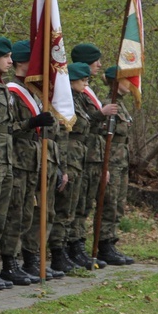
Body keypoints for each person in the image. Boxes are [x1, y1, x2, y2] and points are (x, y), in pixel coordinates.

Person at [0, 36, 54, 291]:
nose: (10, 61)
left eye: (10, 56)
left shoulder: (3, 87)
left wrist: (31, 124)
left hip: (7, 159)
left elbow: (7, 128)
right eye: (5, 57)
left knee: (1, 216)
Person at [3, 40, 57, 283]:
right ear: (23, 63)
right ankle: (9, 262)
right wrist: (31, 124)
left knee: (29, 213)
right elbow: (4, 129)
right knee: (16, 213)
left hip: (33, 161)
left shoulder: (33, 93)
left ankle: (29, 259)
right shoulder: (11, 91)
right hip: (17, 160)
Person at [69, 43, 116, 269]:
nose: (99, 65)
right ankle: (71, 247)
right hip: (81, 156)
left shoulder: (86, 89)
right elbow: (81, 122)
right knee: (76, 205)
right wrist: (100, 114)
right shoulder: (74, 92)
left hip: (91, 155)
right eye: (96, 60)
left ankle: (78, 245)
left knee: (85, 204)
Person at [55, 63, 93, 269]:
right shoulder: (65, 102)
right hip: (69, 157)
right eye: (82, 80)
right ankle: (58, 252)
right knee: (64, 208)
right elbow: (63, 135)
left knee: (73, 208)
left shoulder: (79, 101)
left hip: (78, 158)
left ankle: (69, 248)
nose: (86, 84)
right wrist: (64, 167)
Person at [95, 66, 135, 265]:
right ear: (116, 82)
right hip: (111, 161)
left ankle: (111, 240)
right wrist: (105, 166)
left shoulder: (121, 105)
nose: (132, 83)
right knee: (108, 203)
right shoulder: (108, 104)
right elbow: (102, 138)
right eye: (127, 79)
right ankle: (103, 244)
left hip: (122, 161)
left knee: (118, 204)